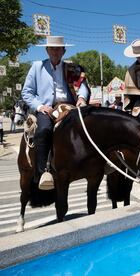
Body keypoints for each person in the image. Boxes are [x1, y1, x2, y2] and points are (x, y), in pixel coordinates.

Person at [21, 36, 90, 190]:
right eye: (52, 48)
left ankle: (94, 166)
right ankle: (42, 173)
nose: (55, 51)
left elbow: (83, 85)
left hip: (69, 106)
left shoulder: (72, 68)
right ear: (47, 50)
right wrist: (39, 107)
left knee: (91, 124)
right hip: (48, 108)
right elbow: (26, 93)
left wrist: (82, 98)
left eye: (58, 49)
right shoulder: (37, 67)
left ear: (63, 51)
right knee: (44, 130)